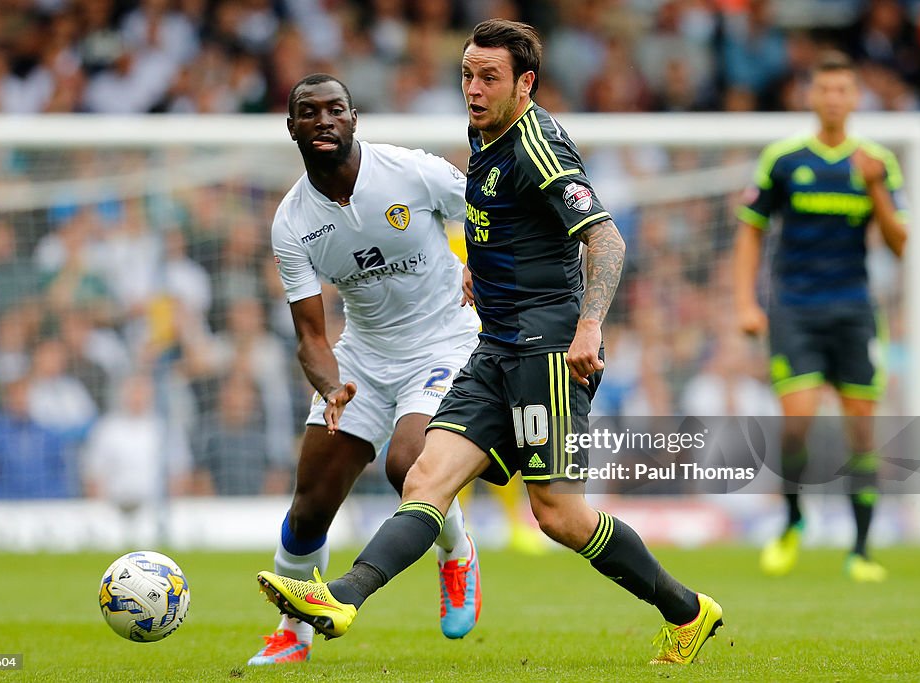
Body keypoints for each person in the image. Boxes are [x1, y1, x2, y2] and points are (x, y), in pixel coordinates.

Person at [258, 21, 723, 666]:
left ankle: (689, 610)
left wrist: (590, 326)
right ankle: (341, 597)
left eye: (489, 78)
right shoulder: (484, 137)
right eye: (467, 76)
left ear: (525, 83)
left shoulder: (539, 147)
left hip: (547, 349)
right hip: (495, 345)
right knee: (422, 477)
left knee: (558, 515)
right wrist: (483, 260)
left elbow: (606, 239)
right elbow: (492, 219)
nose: (472, 90)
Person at [248, 73, 483, 666]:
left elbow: (487, 206)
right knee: (307, 511)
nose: (323, 120)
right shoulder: (291, 222)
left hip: (444, 342)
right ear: (292, 127)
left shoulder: (410, 171)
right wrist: (331, 387)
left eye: (335, 110)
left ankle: (455, 553)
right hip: (362, 360)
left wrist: (480, 260)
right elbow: (310, 334)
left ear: (354, 120)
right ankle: (291, 634)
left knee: (409, 462)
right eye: (309, 111)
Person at [732, 51, 908, 582]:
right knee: (798, 421)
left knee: (861, 431)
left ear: (855, 98)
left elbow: (901, 244)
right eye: (824, 89)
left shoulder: (877, 161)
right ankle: (792, 522)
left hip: (854, 309)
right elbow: (750, 230)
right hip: (795, 308)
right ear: (812, 96)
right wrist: (745, 301)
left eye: (842, 90)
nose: (833, 99)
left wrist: (876, 186)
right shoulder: (784, 160)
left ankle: (860, 550)